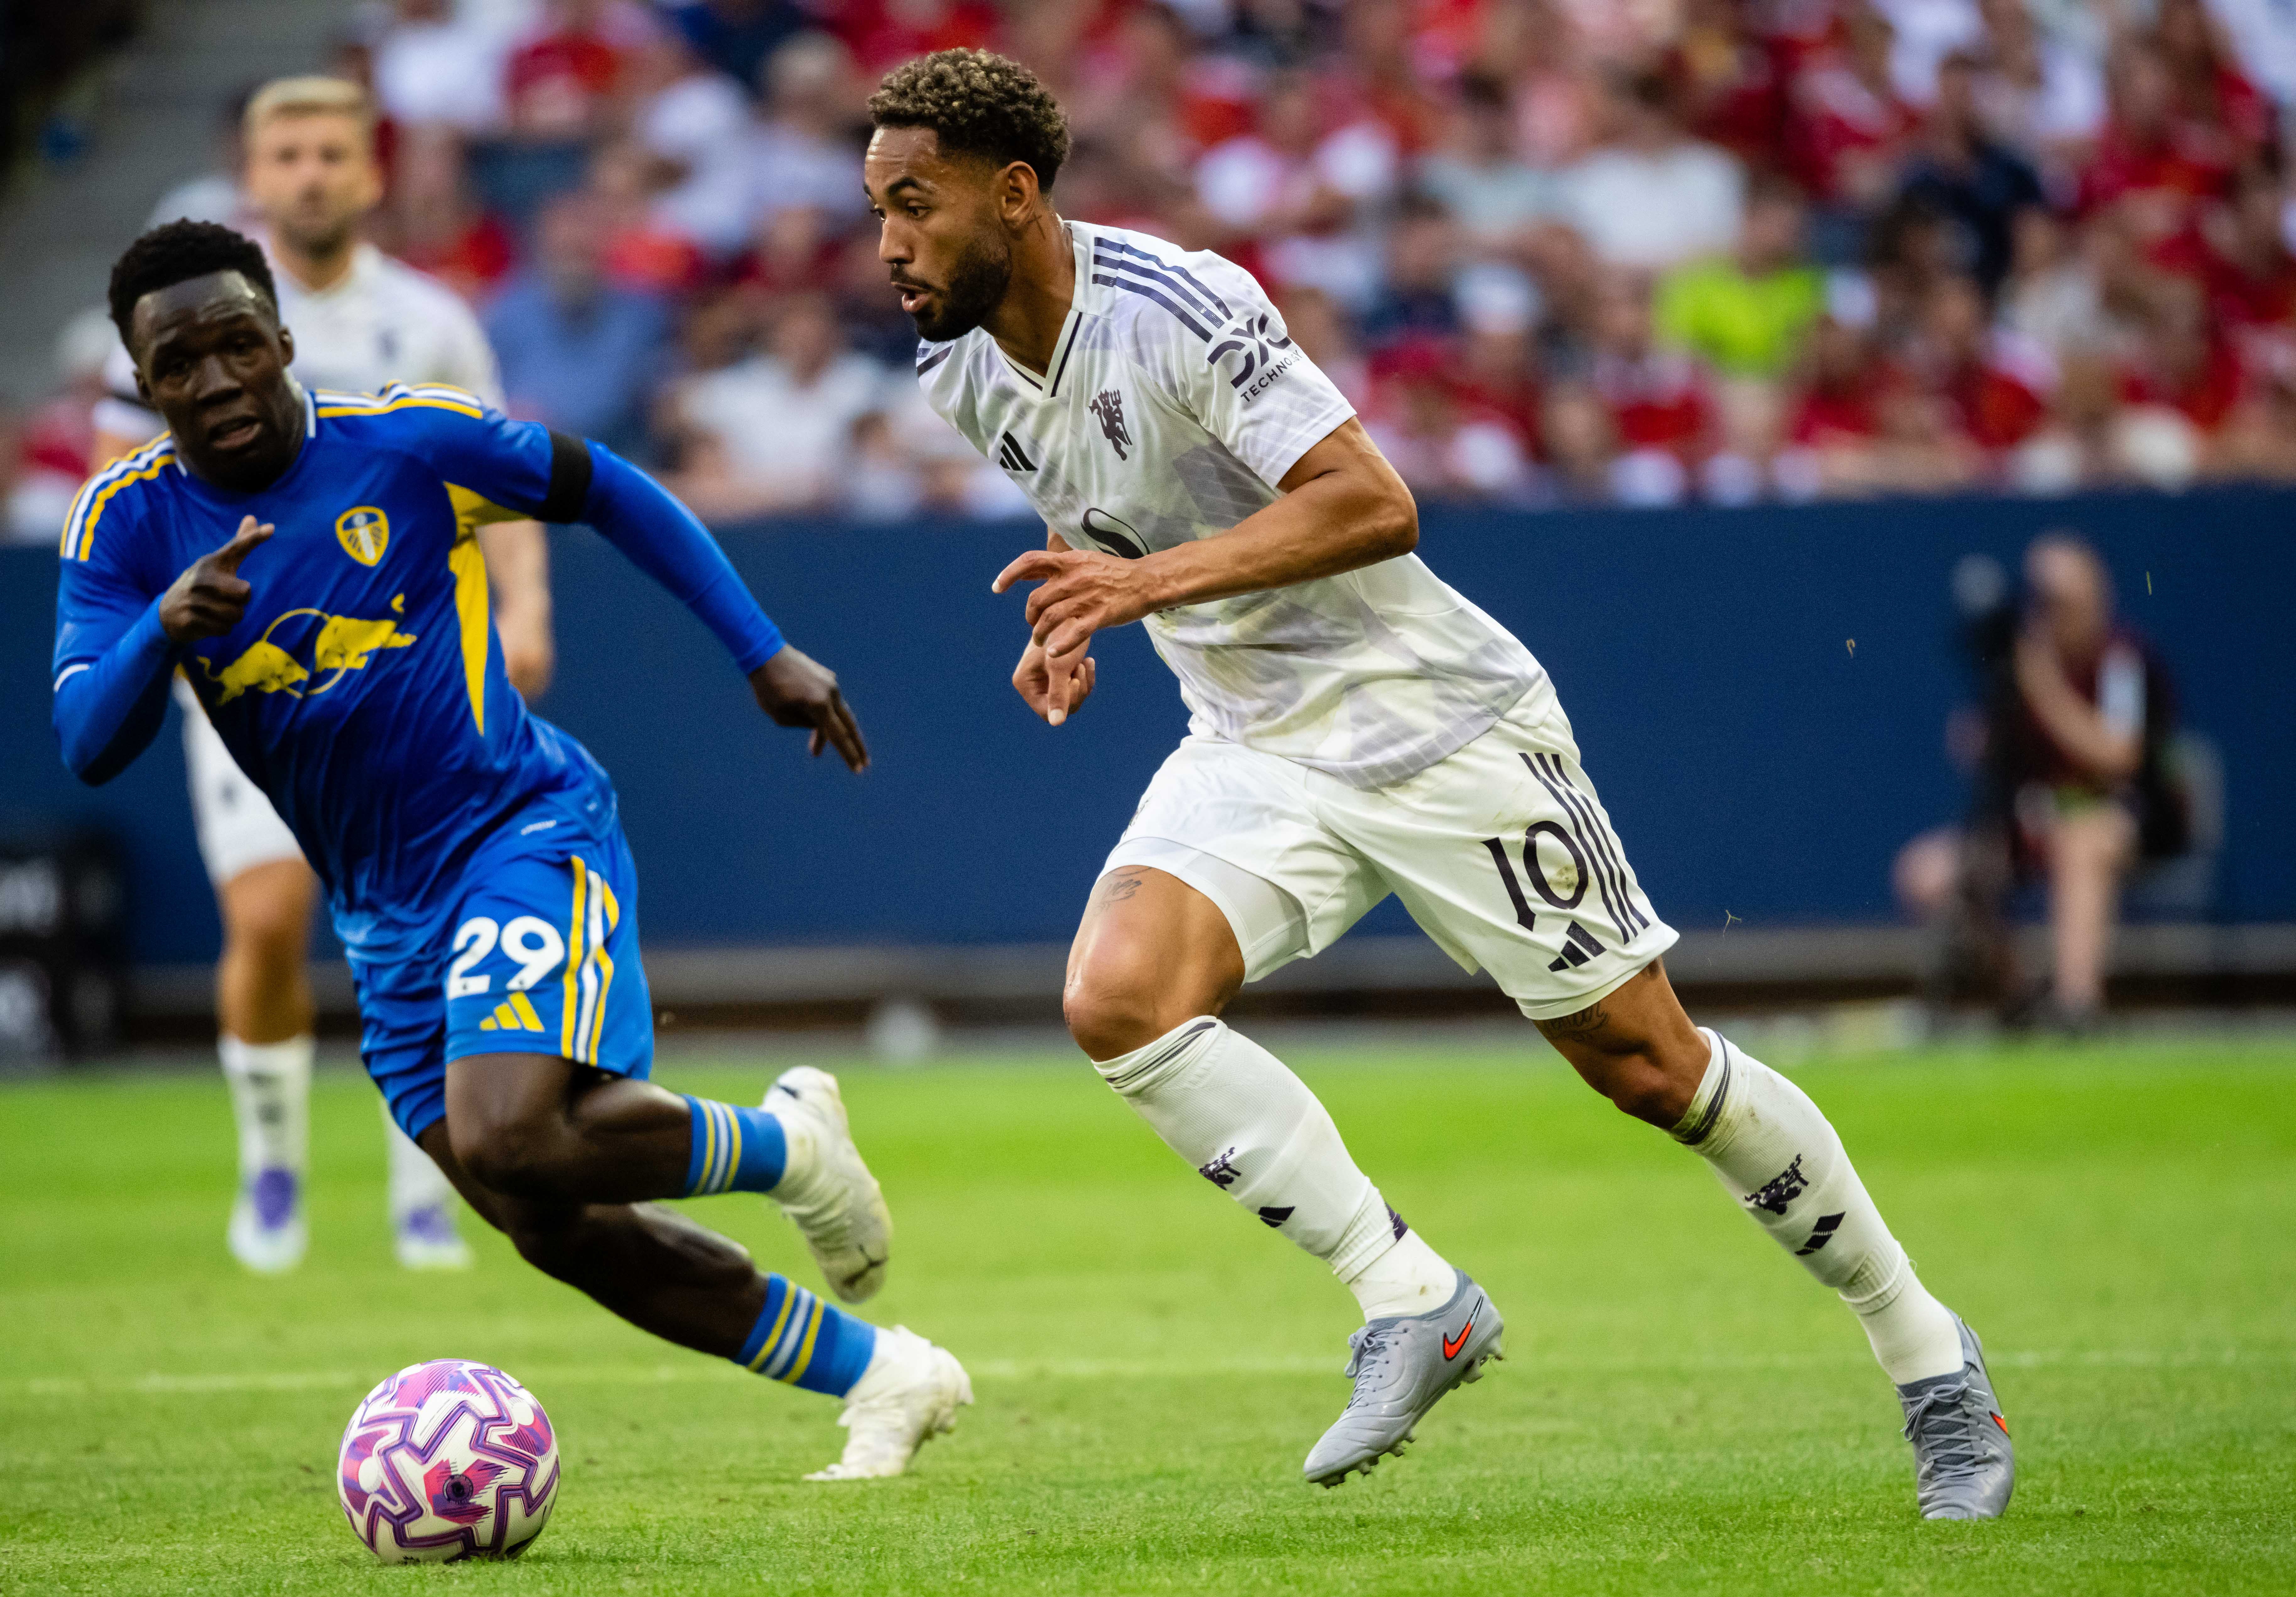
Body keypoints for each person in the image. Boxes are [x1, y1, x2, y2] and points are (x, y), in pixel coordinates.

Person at [866, 49, 2013, 1517]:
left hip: (1434, 724)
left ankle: (1930, 1363)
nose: (888, 242)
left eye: (916, 203)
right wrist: (1088, 619)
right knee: (1117, 997)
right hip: (1252, 741)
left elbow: (1372, 503)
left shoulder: (1183, 304)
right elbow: (1112, 523)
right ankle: (1410, 1297)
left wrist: (1139, 583)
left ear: (1013, 196)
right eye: (875, 208)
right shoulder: (958, 367)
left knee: (1651, 1068)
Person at [53, 220, 970, 1481]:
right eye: (177, 363)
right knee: (554, 1221)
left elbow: (607, 486)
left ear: (282, 340)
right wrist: (162, 628)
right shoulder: (126, 527)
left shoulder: (406, 443)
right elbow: (85, 738)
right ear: (141, 381)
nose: (215, 382)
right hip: (384, 919)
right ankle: (886, 1373)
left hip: (518, 827)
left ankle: (792, 1149)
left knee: (507, 1134)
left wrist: (761, 648)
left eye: (236, 346)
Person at [90, 77, 558, 1276]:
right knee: (268, 916)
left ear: (368, 173)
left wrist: (526, 607)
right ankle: (275, 1165)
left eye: (330, 153)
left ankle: (424, 1186)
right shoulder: (180, 316)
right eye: (286, 153)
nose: (309, 173)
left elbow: (500, 476)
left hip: (407, 675)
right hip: (251, 681)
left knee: (437, 917)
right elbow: (118, 485)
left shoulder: (431, 322)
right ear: (256, 174)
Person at [1894, 532, 2185, 1030]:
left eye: (2065, 603)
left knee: (2081, 842)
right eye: (2043, 603)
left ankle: (2077, 1006)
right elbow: (1993, 762)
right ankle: (2023, 996)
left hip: (2126, 816)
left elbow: (2119, 754)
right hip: (2035, 820)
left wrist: (2044, 685)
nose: (2053, 616)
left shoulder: (2121, 656)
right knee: (1928, 874)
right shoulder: (2019, 664)